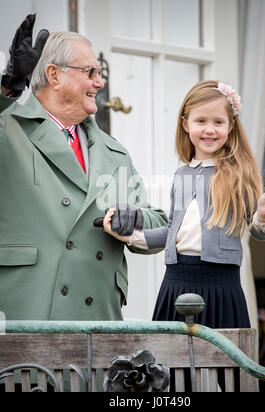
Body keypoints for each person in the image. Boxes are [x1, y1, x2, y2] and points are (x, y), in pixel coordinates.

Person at [0, 15, 167, 321]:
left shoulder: (113, 152)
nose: (100, 83)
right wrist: (8, 90)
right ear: (53, 74)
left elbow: (158, 226)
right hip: (28, 312)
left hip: (99, 319)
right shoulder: (9, 130)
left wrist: (136, 218)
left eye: (99, 73)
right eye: (91, 72)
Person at [104, 80, 265, 329]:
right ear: (185, 124)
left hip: (220, 284)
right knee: (172, 362)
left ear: (231, 126)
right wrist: (127, 235)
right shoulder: (181, 175)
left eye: (218, 122)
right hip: (176, 280)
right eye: (201, 121)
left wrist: (263, 215)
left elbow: (259, 233)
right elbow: (172, 232)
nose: (210, 130)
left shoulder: (239, 175)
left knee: (219, 362)